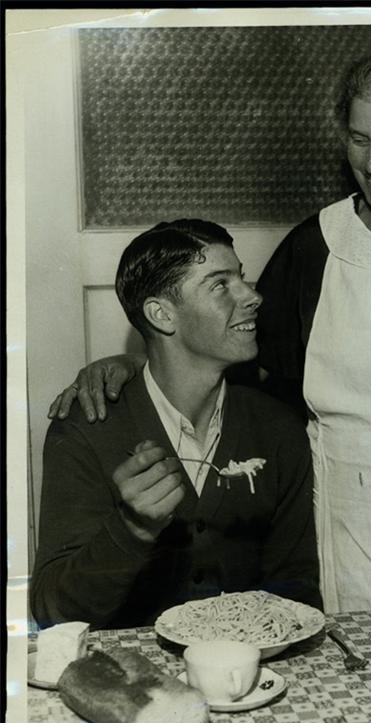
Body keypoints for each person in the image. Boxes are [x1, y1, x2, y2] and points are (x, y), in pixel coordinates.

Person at [47, 47, 371, 723]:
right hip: (352, 528)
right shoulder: (316, 245)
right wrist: (123, 364)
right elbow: (216, 342)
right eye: (357, 139)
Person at [32, 218, 322, 631]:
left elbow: (297, 592)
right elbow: (52, 611)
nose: (254, 296)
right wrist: (130, 529)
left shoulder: (277, 428)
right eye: (220, 285)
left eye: (241, 278)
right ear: (162, 314)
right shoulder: (88, 427)